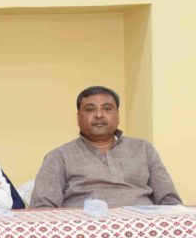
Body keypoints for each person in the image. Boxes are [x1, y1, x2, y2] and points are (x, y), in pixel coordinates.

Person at [31, 86, 181, 208]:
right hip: (86, 232)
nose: (99, 115)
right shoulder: (59, 156)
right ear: (78, 117)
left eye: (107, 108)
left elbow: (169, 200)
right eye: (90, 109)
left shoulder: (143, 149)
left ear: (118, 115)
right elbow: (43, 208)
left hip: (143, 230)